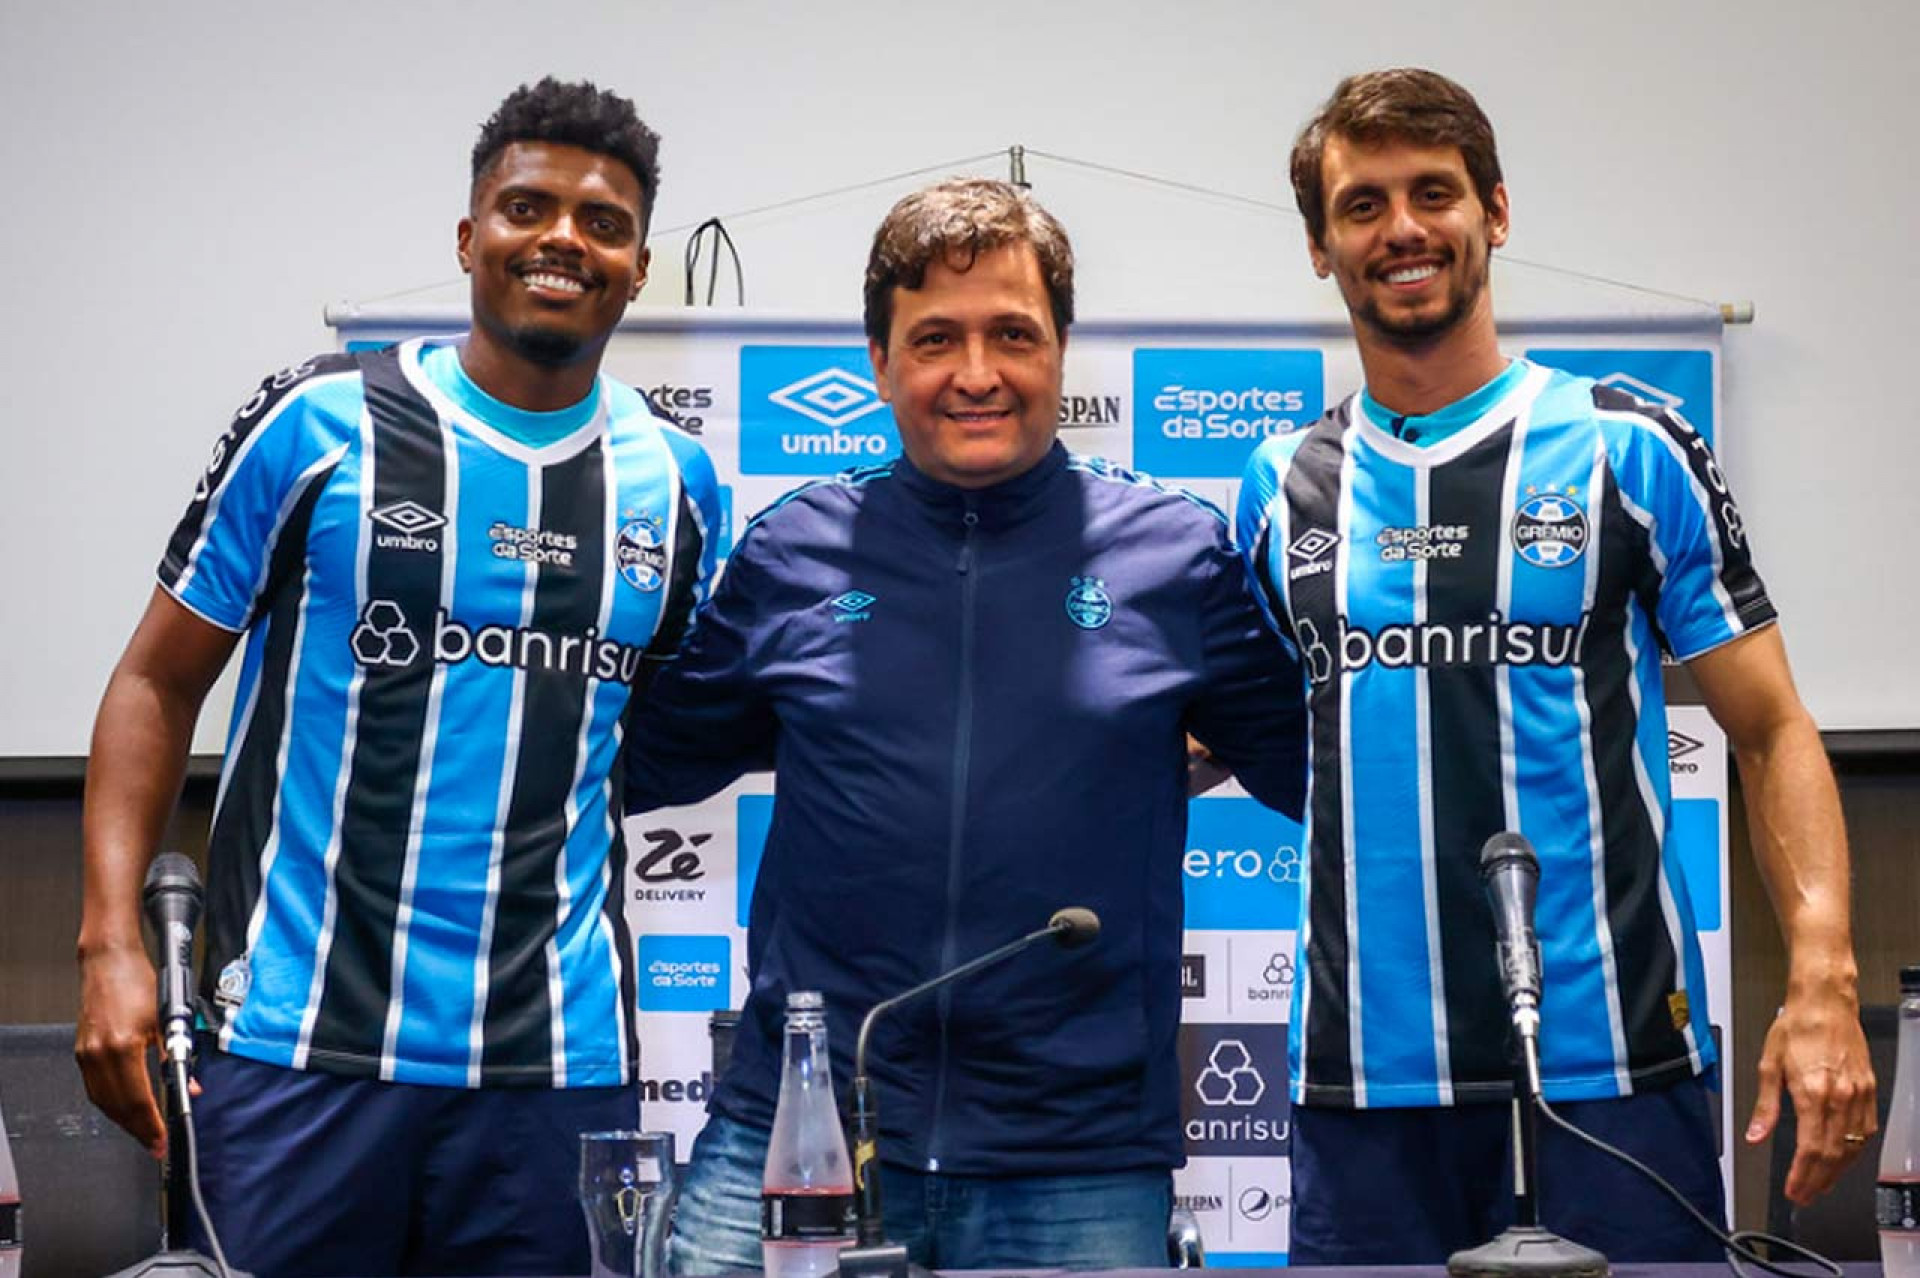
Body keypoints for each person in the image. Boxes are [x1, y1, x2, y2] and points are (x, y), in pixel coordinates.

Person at [74, 77, 720, 1277]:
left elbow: (668, 730)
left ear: (638, 270)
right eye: (527, 209)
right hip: (299, 1048)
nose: (563, 239)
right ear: (469, 237)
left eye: (603, 223)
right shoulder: (318, 423)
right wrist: (110, 944)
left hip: (557, 1070)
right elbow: (154, 684)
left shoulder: (681, 485)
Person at [1238, 67, 1876, 1263]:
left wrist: (1823, 978)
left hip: (1612, 1066)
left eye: (1435, 193)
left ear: (1495, 211)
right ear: (1322, 247)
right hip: (1364, 1082)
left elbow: (1773, 729)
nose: (1403, 228)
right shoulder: (1277, 490)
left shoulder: (1628, 445)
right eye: (1363, 205)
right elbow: (1258, 734)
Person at [623, 177, 1307, 1272]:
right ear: (879, 361)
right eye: (935, 338)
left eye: (1013, 335)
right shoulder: (790, 553)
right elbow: (629, 761)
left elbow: (1330, 770)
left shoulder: (1178, 559)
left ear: (1062, 349)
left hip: (1080, 1164)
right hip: (801, 1135)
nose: (976, 373)